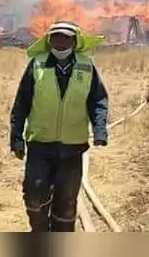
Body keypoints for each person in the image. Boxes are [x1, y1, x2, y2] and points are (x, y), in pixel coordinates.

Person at [9, 20, 110, 232]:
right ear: (49, 40)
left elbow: (98, 100)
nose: (61, 42)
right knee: (34, 195)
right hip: (40, 145)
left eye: (66, 38)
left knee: (66, 203)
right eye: (56, 37)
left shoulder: (86, 66)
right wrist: (16, 137)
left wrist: (100, 129)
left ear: (75, 41)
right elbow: (21, 103)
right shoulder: (37, 65)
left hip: (73, 148)